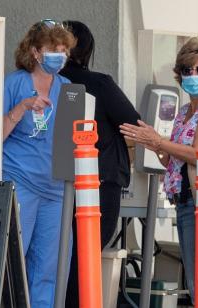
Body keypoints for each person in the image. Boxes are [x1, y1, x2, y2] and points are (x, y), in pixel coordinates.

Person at [120, 36, 198, 306]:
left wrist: (159, 142)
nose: (193, 76)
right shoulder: (185, 110)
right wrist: (151, 143)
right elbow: (172, 160)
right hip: (183, 198)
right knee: (197, 278)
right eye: (187, 70)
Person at [59, 21, 141, 307]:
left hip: (53, 183)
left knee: (57, 255)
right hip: (100, 180)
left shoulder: (44, 84)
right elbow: (134, 124)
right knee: (86, 255)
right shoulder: (99, 83)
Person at [2, 20, 75, 308]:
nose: (60, 54)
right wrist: (21, 108)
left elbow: (73, 141)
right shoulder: (13, 83)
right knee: (13, 259)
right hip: (20, 181)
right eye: (53, 49)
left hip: (56, 189)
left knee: (50, 266)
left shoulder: (68, 88)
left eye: (64, 49)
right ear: (35, 52)